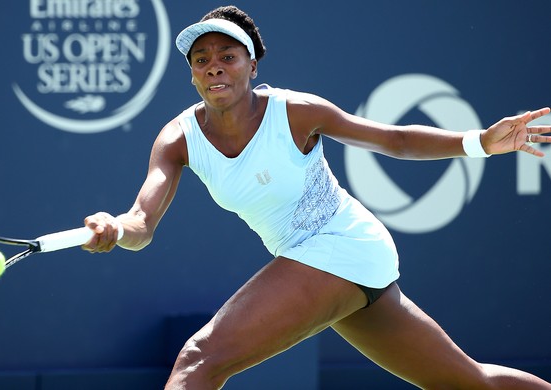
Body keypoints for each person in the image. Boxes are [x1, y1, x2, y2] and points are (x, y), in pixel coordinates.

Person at [82, 5, 551, 389]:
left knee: (199, 361)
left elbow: (395, 140)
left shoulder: (296, 112)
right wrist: (117, 228)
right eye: (201, 59)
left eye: (227, 55)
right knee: (470, 385)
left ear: (252, 65)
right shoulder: (178, 138)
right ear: (192, 76)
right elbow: (142, 223)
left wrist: (479, 143)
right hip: (323, 261)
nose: (214, 67)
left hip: (343, 242)